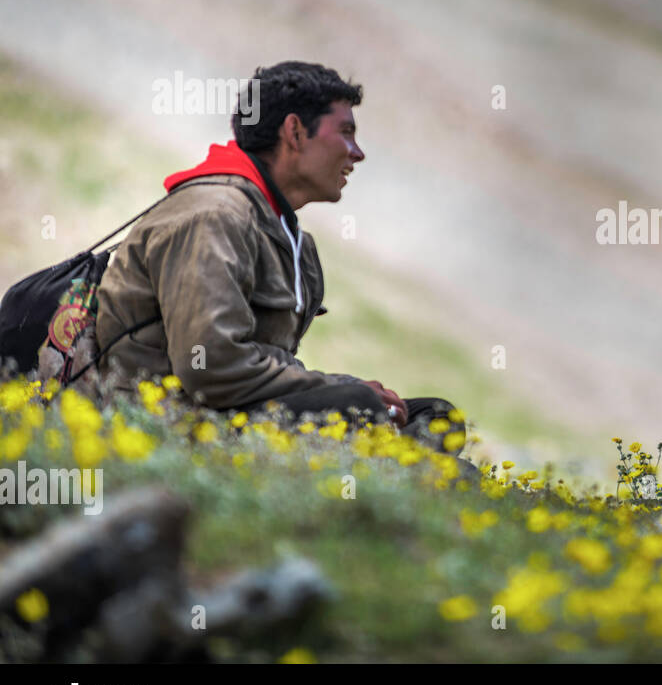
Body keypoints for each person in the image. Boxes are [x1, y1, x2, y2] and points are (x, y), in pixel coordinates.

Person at [94, 61, 464, 452]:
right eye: (346, 133)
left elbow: (259, 366)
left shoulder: (274, 224)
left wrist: (344, 390)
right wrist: (345, 392)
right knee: (365, 408)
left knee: (436, 418)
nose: (357, 154)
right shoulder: (214, 215)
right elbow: (210, 366)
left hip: (227, 412)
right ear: (295, 132)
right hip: (168, 425)